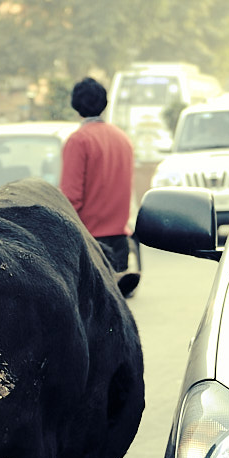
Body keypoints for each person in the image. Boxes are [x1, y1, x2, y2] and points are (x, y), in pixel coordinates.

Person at [60, 78, 139, 295]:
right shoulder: (122, 139)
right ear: (104, 103)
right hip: (119, 243)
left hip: (90, 244)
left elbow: (71, 198)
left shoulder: (78, 141)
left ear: (76, 106)